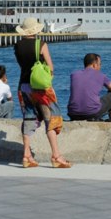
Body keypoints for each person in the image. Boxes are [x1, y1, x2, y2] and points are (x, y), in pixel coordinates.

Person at [13, 17, 71, 168]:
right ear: (36, 30)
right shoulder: (41, 44)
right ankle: (56, 156)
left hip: (23, 86)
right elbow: (50, 67)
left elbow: (22, 66)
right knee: (50, 118)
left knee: (29, 118)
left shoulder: (17, 46)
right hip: (41, 89)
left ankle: (26, 155)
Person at [67, 53, 111, 122]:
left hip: (73, 113)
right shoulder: (101, 75)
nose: (100, 67)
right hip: (91, 114)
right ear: (94, 65)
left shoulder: (74, 74)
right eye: (100, 64)